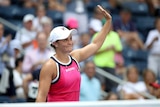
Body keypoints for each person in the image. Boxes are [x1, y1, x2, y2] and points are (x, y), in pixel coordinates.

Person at [36, 5, 112, 102]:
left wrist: (108, 22)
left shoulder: (75, 57)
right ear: (55, 43)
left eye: (70, 39)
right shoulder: (50, 66)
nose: (70, 42)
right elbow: (41, 97)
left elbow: (95, 44)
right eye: (65, 40)